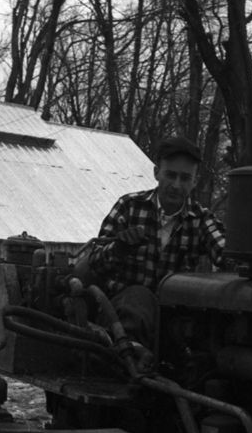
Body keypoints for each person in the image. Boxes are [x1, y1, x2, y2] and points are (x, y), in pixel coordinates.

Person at [86, 135, 225, 346]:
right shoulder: (129, 206)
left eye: (185, 178)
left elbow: (226, 253)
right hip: (120, 314)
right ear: (156, 172)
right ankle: (130, 360)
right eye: (170, 175)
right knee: (138, 299)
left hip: (173, 320)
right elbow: (94, 262)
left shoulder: (202, 219)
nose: (176, 185)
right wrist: (119, 248)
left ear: (195, 181)